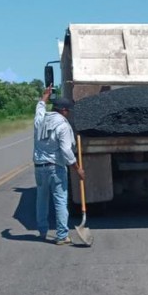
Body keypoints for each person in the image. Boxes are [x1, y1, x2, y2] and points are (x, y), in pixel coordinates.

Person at [33, 85, 84, 245]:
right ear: (63, 111)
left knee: (41, 200)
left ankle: (42, 231)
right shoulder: (62, 125)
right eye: (67, 111)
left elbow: (39, 108)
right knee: (60, 200)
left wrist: (45, 96)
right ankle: (62, 235)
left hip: (39, 167)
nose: (68, 114)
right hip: (55, 167)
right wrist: (77, 169)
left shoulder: (40, 120)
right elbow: (66, 151)